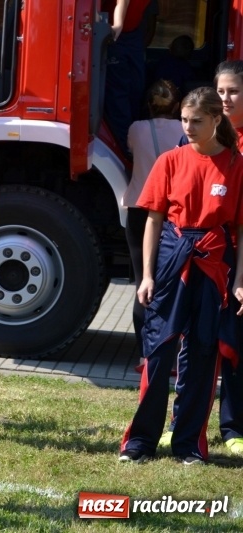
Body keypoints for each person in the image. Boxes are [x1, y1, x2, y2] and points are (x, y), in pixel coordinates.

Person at [119, 87, 243, 466]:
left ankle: (189, 444)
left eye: (196, 121)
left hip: (214, 262)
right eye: (184, 120)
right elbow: (153, 220)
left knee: (203, 353)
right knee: (158, 350)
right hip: (172, 258)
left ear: (216, 120)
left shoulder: (235, 164)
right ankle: (140, 442)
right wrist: (146, 276)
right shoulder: (170, 160)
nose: (188, 127)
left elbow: (240, 229)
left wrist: (239, 279)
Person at [161, 61, 243, 456]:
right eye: (221, 91)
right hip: (208, 256)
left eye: (234, 91)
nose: (226, 98)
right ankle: (182, 425)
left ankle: (233, 428)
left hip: (234, 256)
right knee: (195, 343)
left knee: (233, 345)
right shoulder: (194, 138)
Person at [121, 79, 182, 370]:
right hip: (171, 210)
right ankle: (172, 357)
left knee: (142, 281)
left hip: (139, 207)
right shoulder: (184, 129)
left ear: (148, 104)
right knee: (172, 284)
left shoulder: (136, 128)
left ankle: (144, 356)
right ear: (177, 106)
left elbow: (131, 151)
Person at [102, 0, 152, 156]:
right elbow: (122, 3)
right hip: (115, 34)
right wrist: (117, 25)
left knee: (137, 87)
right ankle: (123, 147)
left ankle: (133, 138)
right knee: (119, 93)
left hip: (133, 33)